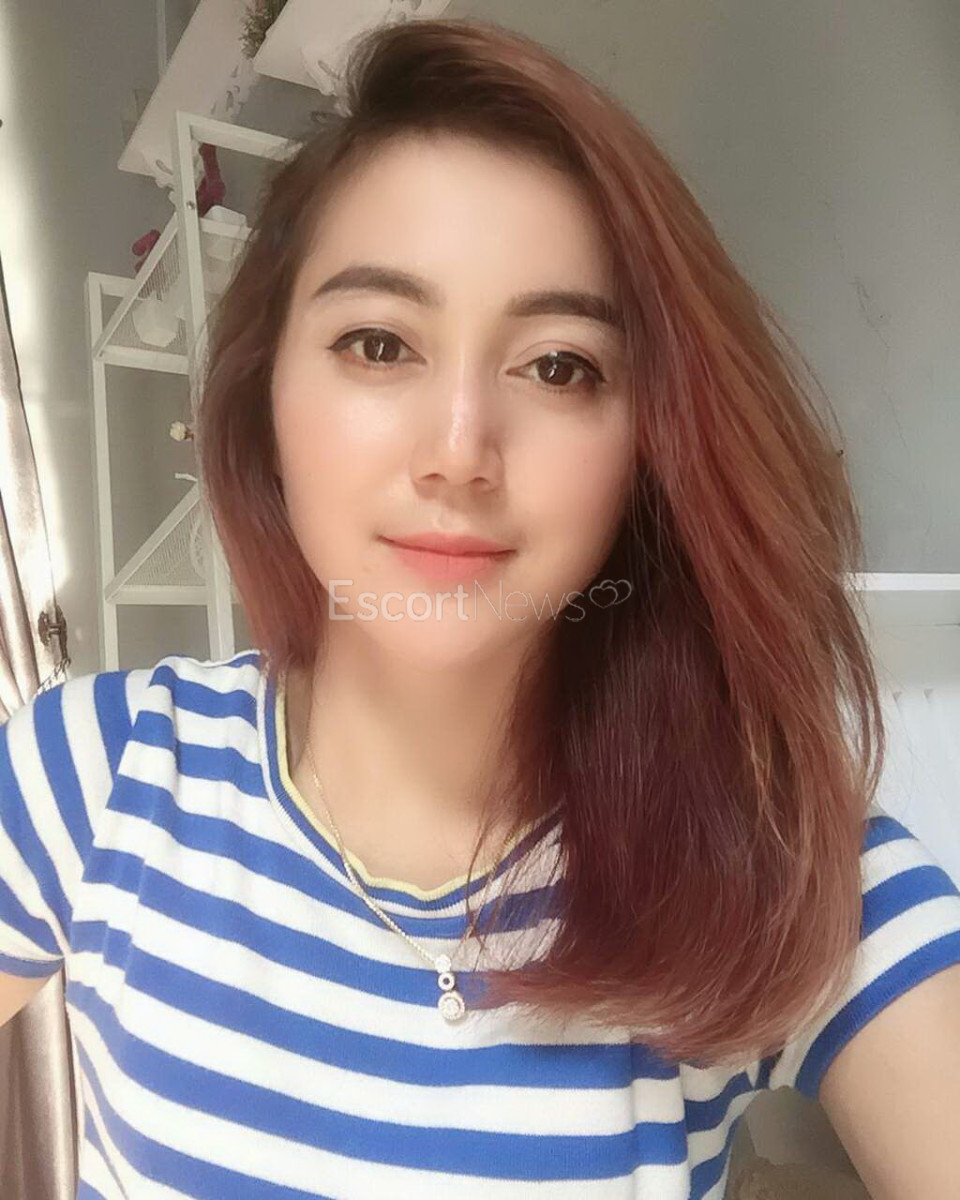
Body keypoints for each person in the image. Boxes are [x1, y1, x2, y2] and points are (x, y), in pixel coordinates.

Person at [2, 16, 959, 1200]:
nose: (459, 450)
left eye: (559, 366)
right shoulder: (96, 775)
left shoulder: (770, 852)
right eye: (378, 343)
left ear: (648, 448)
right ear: (263, 404)